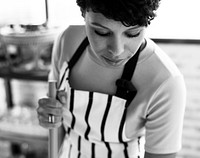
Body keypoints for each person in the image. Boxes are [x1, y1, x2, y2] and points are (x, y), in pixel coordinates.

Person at [37, 0, 186, 158]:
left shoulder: (166, 82)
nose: (117, 50)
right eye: (101, 32)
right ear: (83, 14)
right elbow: (54, 115)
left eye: (132, 33)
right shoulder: (67, 41)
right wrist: (50, 116)